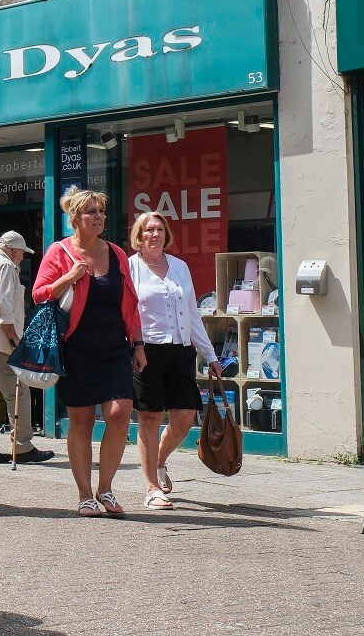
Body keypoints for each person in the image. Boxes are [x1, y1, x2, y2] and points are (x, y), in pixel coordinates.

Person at [32, 187, 146, 517]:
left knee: (119, 411)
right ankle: (85, 494)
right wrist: (69, 276)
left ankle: (106, 489)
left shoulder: (116, 253)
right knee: (81, 421)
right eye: (91, 212)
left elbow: (131, 302)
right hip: (76, 346)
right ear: (75, 219)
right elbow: (40, 295)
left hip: (113, 346)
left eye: (101, 211)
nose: (98, 217)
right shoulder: (59, 251)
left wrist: (137, 343)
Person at [127, 211, 221, 510]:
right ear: (139, 236)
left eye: (159, 229)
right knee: (150, 417)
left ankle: (158, 461)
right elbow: (127, 313)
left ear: (166, 234)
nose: (154, 234)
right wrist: (135, 347)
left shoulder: (179, 267)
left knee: (183, 418)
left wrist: (211, 355)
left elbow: (192, 314)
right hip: (147, 351)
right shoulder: (130, 267)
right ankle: (152, 487)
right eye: (148, 230)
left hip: (180, 350)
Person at [0, 231, 54, 465]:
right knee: (18, 391)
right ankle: (23, 446)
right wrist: (14, 337)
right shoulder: (5, 265)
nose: (22, 258)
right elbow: (2, 304)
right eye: (22, 253)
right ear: (14, 250)